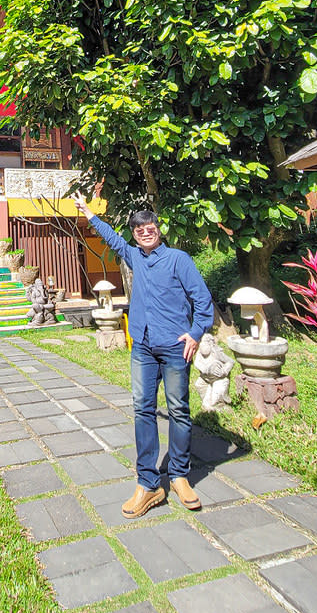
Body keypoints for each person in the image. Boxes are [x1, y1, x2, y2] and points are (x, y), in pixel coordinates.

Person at [73, 191, 213, 517]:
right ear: (135, 235)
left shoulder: (179, 259)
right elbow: (112, 238)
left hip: (176, 348)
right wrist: (88, 212)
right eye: (138, 229)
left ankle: (179, 475)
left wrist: (195, 333)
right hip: (143, 347)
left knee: (178, 409)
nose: (144, 232)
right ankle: (148, 483)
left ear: (158, 229)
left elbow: (202, 301)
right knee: (142, 410)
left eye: (149, 227)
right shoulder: (134, 256)